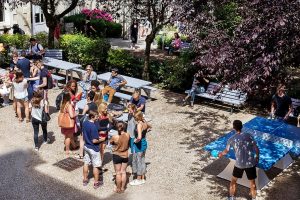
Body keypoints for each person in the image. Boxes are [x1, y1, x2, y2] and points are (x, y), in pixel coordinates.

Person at [218, 120, 260, 200]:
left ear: (233, 128)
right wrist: (257, 157)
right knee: (252, 182)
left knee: (233, 181)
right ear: (242, 126)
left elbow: (226, 151)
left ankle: (232, 198)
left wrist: (220, 154)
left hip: (239, 165)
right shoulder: (249, 136)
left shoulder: (231, 139)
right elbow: (256, 148)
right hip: (250, 164)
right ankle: (254, 198)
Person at [82, 110, 104, 189]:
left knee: (86, 163)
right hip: (94, 148)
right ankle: (96, 183)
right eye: (96, 116)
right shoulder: (93, 126)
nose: (98, 118)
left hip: (86, 146)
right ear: (92, 117)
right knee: (96, 166)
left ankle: (85, 179)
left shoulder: (85, 123)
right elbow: (94, 141)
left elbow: (84, 134)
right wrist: (102, 139)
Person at [129, 111, 151, 186]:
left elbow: (139, 136)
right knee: (142, 160)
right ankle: (142, 178)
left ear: (137, 117)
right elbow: (150, 126)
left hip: (139, 144)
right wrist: (145, 132)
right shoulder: (144, 122)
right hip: (144, 143)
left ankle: (138, 179)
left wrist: (135, 140)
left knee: (138, 161)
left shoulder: (139, 125)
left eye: (134, 117)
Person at [110, 121, 130, 193]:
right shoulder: (128, 135)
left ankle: (118, 188)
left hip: (117, 155)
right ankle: (122, 188)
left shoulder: (114, 137)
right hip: (125, 155)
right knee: (123, 172)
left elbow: (111, 143)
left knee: (118, 173)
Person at [78, 91, 98, 159]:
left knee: (82, 138)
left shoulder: (87, 105)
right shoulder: (95, 104)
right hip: (92, 123)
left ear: (88, 97)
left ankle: (81, 154)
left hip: (86, 123)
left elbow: (82, 116)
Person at [60, 91, 78, 156]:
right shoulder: (69, 105)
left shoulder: (63, 104)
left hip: (64, 123)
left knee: (68, 136)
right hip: (69, 123)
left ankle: (74, 146)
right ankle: (67, 150)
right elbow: (71, 115)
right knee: (68, 137)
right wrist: (76, 113)